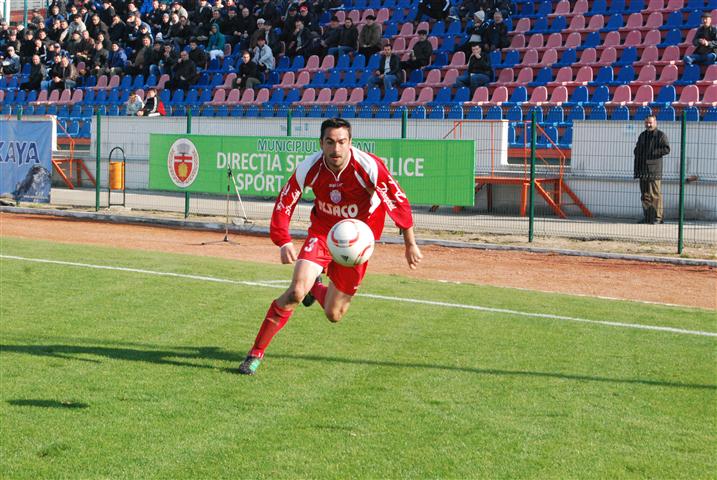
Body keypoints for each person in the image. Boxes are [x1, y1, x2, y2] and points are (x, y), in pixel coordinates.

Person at [238, 118, 423, 375]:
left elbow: (397, 201)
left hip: (357, 242)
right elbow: (285, 201)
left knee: (334, 314)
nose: (336, 149)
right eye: (330, 142)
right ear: (321, 143)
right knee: (294, 292)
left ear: (350, 143)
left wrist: (410, 243)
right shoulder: (310, 167)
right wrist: (283, 240)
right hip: (323, 232)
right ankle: (255, 353)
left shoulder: (368, 166)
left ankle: (317, 288)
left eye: (341, 142)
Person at [633, 115, 670, 224]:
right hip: (642, 169)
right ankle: (648, 217)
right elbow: (637, 149)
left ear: (655, 123)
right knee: (645, 195)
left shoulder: (660, 135)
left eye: (650, 123)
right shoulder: (642, 135)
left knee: (655, 194)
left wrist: (652, 153)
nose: (648, 125)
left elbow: (666, 149)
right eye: (646, 123)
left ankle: (658, 218)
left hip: (654, 170)